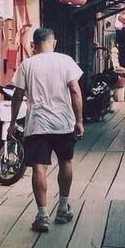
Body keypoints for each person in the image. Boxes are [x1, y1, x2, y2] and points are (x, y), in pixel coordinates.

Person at [8, 28, 84, 232]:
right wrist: (79, 120)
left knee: (38, 167)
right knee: (65, 162)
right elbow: (75, 90)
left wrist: (12, 122)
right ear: (54, 42)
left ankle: (42, 216)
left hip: (37, 124)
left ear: (34, 45)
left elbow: (17, 96)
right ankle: (62, 209)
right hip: (63, 122)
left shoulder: (27, 64)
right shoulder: (65, 61)